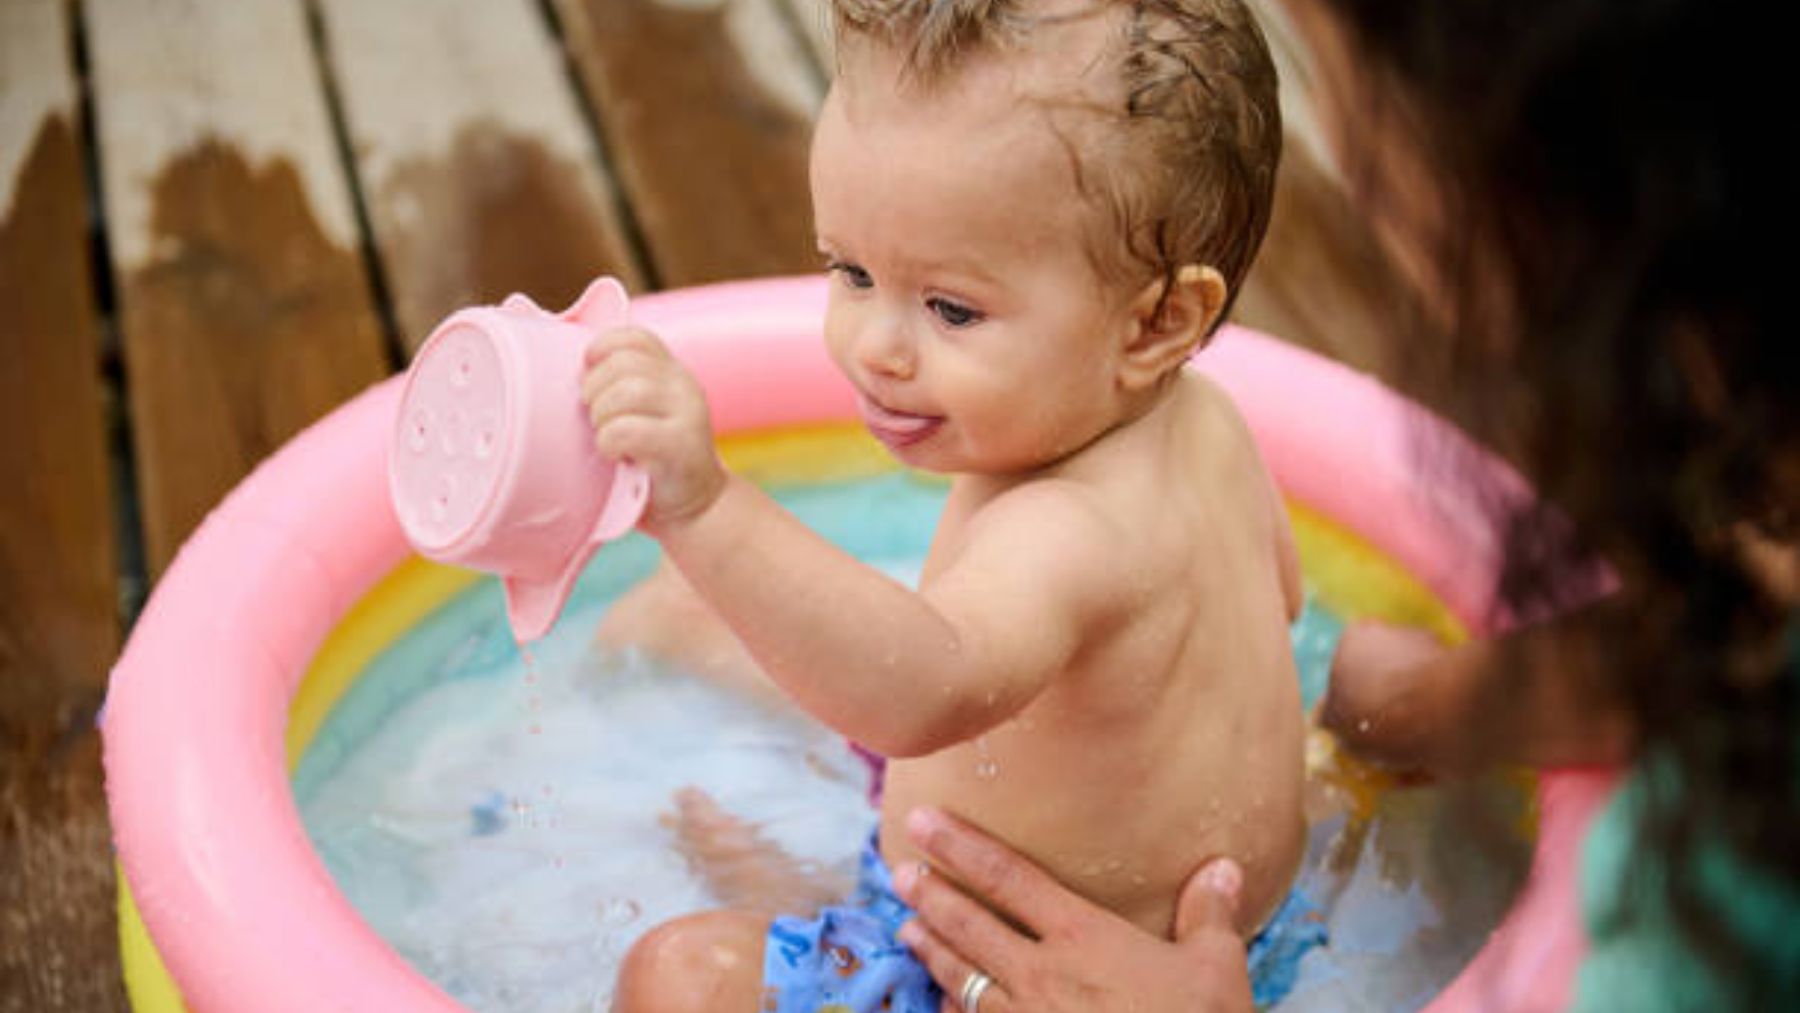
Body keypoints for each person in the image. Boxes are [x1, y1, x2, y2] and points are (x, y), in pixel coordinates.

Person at [887, 0, 1800, 1008]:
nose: (1358, 182)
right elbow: (1752, 651)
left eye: (1345, 97)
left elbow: (930, 675)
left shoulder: (1712, 925)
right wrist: (1433, 706)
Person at [580, 0, 1319, 1008]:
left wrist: (704, 508)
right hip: (1211, 947)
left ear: (1158, 319)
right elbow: (1278, 605)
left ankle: (820, 894)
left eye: (952, 307)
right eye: (851, 271)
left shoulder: (1068, 530)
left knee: (677, 974)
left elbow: (919, 691)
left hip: (1020, 972)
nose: (875, 347)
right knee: (692, 612)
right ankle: (822, 870)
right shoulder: (1213, 427)